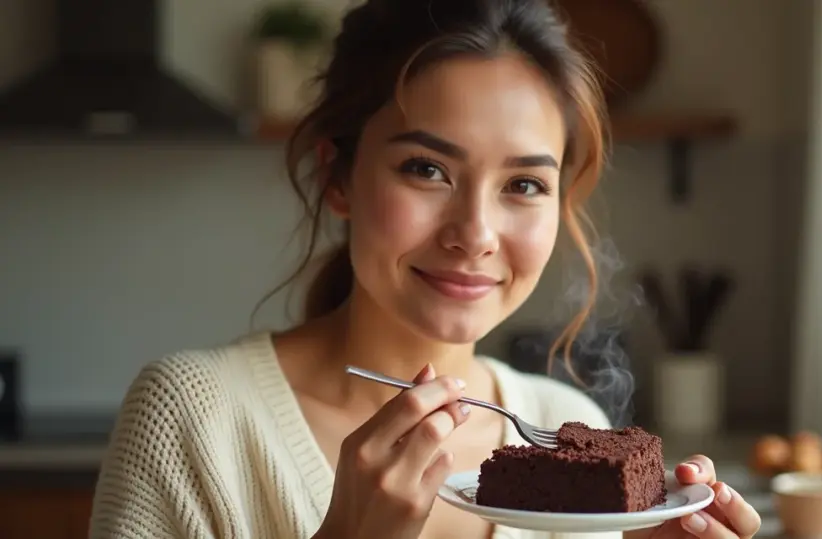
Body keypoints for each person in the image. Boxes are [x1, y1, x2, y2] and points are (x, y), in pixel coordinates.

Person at [88, 0, 762, 538]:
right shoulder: (193, 419)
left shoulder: (565, 422)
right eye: (426, 169)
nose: (475, 235)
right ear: (338, 177)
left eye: (524, 184)